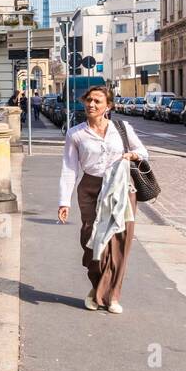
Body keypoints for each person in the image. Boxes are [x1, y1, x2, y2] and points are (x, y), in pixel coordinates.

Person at [58, 85, 147, 313]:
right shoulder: (75, 133)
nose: (91, 104)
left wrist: (133, 155)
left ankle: (112, 296)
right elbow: (69, 169)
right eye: (88, 100)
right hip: (90, 188)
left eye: (97, 101)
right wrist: (64, 201)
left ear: (108, 106)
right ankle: (97, 287)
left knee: (119, 241)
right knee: (92, 240)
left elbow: (143, 152)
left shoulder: (122, 128)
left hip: (121, 188)